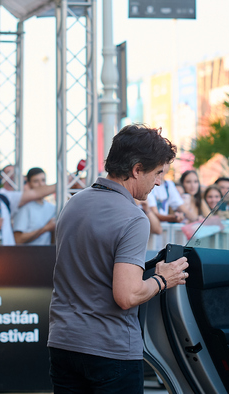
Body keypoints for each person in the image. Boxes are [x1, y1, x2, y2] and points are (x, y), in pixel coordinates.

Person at [48, 124, 189, 393]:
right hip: (109, 350)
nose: (159, 182)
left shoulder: (74, 203)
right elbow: (126, 295)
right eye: (158, 173)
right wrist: (163, 279)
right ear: (137, 169)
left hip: (63, 343)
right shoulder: (133, 217)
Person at [13, 167, 56, 245]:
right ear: (29, 184)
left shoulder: (52, 207)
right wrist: (45, 228)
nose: (41, 184)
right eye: (36, 181)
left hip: (48, 254)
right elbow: (18, 240)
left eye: (43, 180)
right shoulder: (24, 207)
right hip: (28, 255)